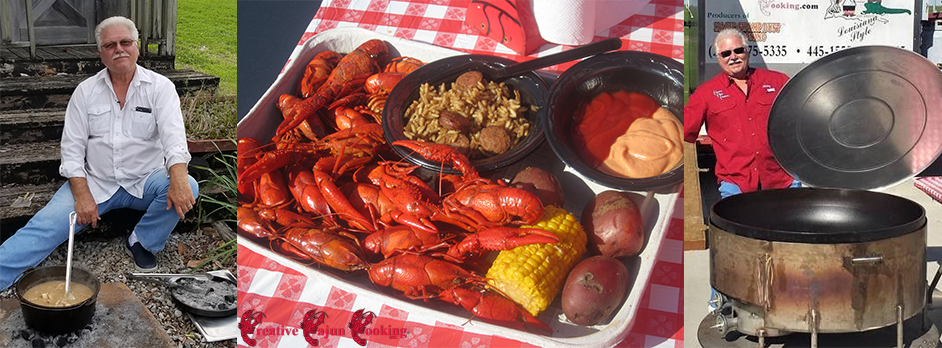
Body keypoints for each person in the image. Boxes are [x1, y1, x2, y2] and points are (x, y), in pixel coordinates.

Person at [0, 16, 198, 291]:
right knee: (45, 226)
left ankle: (141, 240)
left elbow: (174, 138)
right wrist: (81, 196)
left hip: (144, 181)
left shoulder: (160, 87)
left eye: (125, 42)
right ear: (100, 53)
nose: (119, 49)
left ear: (137, 46)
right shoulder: (85, 92)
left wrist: (178, 176)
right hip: (96, 182)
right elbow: (71, 150)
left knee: (188, 186)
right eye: (110, 45)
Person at [684, 28, 799, 199]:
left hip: (782, 180)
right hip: (736, 185)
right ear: (718, 58)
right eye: (726, 53)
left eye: (738, 50)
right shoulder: (705, 93)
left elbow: (802, 121)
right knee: (737, 227)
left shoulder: (778, 81)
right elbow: (683, 130)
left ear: (747, 51)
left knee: (789, 226)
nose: (733, 57)